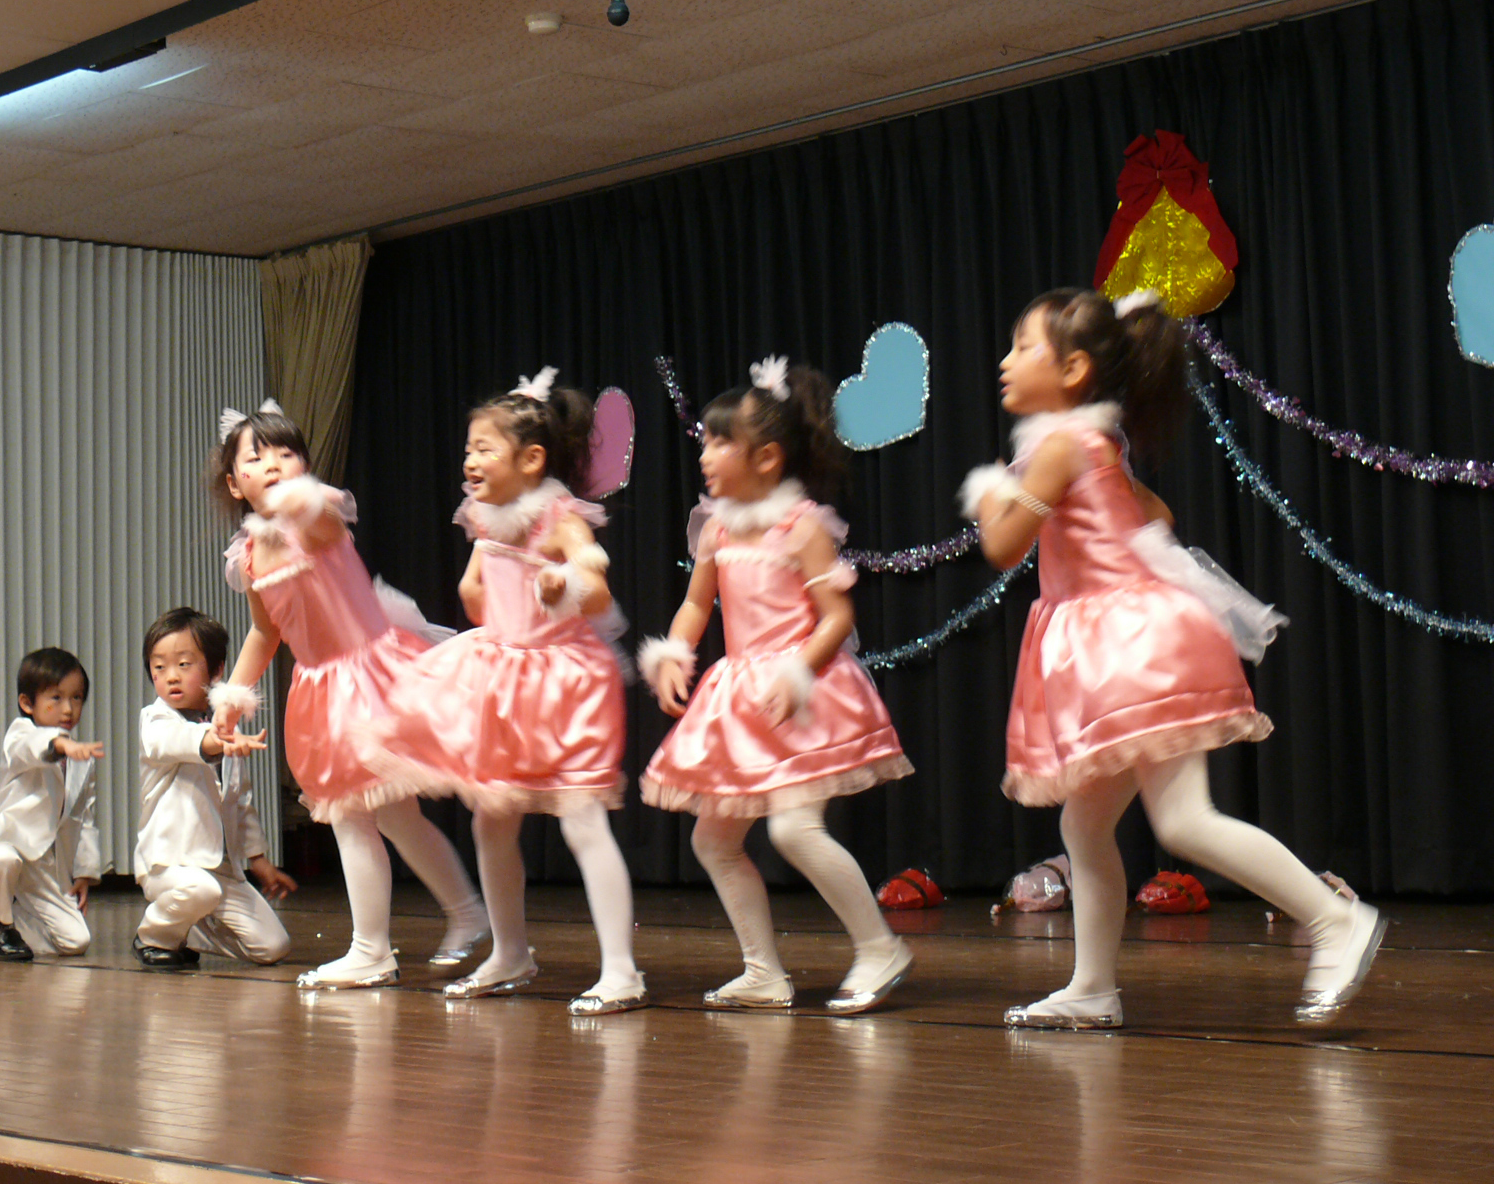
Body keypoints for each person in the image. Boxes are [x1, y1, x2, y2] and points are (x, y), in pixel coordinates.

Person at [965, 288, 1383, 1028]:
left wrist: (994, 493)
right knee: (1084, 828)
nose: (1005, 361)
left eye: (1023, 347)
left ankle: (1335, 920)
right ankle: (1092, 989)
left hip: (1131, 647)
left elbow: (1001, 547)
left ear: (1073, 369)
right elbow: (1154, 513)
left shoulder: (1060, 447)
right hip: (1120, 640)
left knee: (1184, 820)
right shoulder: (1088, 443)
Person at [641, 357, 915, 1013]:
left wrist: (799, 671)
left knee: (793, 831)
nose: (704, 454)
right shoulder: (716, 529)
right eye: (705, 441)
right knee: (713, 840)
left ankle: (880, 946)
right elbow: (697, 604)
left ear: (766, 457)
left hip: (801, 693)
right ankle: (762, 970)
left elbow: (837, 618)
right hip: (741, 698)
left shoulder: (801, 527)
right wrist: (675, 651)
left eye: (720, 442)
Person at [368, 369, 644, 1015]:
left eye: (484, 448)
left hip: (562, 681)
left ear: (532, 459)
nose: (470, 460)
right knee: (491, 819)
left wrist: (562, 583)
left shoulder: (559, 515)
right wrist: (484, 586)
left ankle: (621, 970)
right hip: (504, 674)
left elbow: (597, 590)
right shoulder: (487, 517)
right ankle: (510, 951)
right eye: (468, 448)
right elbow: (476, 597)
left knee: (582, 821)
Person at [211, 400, 487, 990]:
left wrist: (299, 497)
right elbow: (265, 632)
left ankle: (377, 948)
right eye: (257, 458)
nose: (274, 464)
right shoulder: (250, 552)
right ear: (234, 483)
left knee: (358, 817)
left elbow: (317, 517)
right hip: (321, 691)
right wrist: (232, 695)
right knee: (390, 817)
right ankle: (460, 915)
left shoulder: (317, 518)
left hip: (370, 679)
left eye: (288, 453)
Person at [134, 607, 293, 969]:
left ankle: (186, 931)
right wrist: (220, 740)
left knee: (273, 946)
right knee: (199, 890)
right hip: (168, 863)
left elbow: (240, 803)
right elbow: (181, 740)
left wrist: (258, 859)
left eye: (183, 664)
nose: (171, 676)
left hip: (219, 868)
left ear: (217, 670)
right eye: (159, 667)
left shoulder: (225, 728)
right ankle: (153, 936)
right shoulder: (155, 719)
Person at [0, 647, 106, 963]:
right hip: (11, 844)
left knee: (76, 941)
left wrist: (84, 872)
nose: (68, 708)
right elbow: (33, 747)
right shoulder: (20, 734)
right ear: (27, 703)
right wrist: (60, 744)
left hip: (45, 862)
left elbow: (84, 818)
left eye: (77, 697)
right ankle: (1, 925)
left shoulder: (82, 759)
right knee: (1, 859)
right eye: (56, 698)